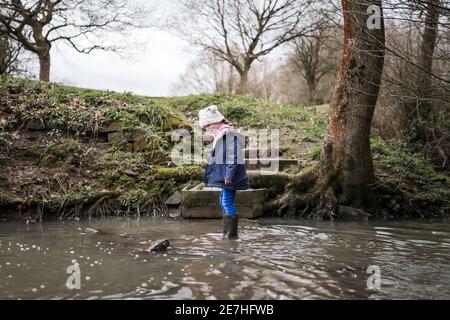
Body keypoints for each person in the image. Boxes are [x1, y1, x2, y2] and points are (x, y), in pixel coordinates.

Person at [199, 105, 250, 240]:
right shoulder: (221, 135)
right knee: (223, 200)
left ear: (215, 122)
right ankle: (226, 232)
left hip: (230, 175)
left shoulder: (228, 134)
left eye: (207, 126)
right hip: (224, 174)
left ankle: (231, 235)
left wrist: (229, 175)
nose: (206, 129)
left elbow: (233, 156)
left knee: (227, 202)